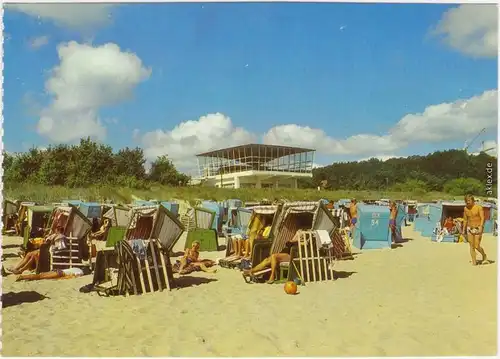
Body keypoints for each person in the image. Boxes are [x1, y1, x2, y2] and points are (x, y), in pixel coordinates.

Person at [463, 194, 489, 266]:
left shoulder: (478, 207)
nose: (467, 202)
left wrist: (481, 226)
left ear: (473, 200)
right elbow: (465, 219)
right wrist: (463, 229)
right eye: (466, 201)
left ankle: (484, 255)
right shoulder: (465, 208)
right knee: (471, 245)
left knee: (477, 245)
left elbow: (482, 217)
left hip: (478, 227)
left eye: (469, 200)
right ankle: (474, 262)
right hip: (469, 228)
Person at [16, 267, 84, 281]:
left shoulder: (76, 268)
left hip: (59, 270)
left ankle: (27, 277)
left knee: (41, 275)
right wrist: (60, 278)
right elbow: (73, 276)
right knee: (41, 276)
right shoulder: (81, 272)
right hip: (60, 273)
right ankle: (23, 277)